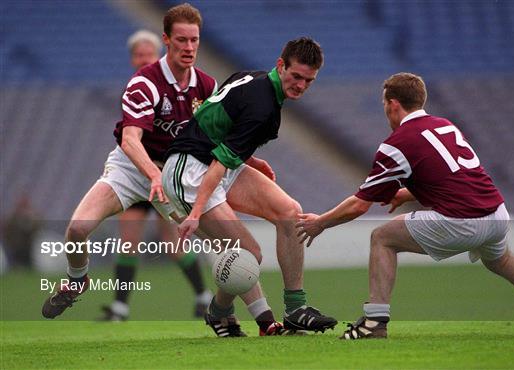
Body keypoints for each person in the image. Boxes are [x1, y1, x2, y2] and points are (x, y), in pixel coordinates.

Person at [42, 4, 289, 337]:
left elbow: (217, 135)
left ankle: (254, 320)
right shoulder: (145, 82)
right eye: (181, 41)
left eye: (194, 41)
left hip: (176, 175)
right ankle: (77, 281)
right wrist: (153, 175)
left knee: (228, 246)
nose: (188, 48)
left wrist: (250, 160)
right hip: (131, 170)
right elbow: (130, 139)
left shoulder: (206, 85)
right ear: (166, 40)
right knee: (75, 230)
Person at [296, 72, 514, 340]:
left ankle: (374, 323)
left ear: (393, 104)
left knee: (382, 238)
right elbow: (454, 177)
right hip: (496, 214)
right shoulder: (444, 125)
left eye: (385, 106)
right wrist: (408, 193)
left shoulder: (397, 143)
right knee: (502, 261)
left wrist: (320, 223)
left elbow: (359, 205)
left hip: (462, 221)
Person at [162, 37, 338, 337]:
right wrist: (196, 212)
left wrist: (250, 160)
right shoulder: (263, 107)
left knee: (290, 213)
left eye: (309, 80)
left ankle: (295, 309)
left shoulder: (253, 77)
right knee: (248, 255)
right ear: (281, 66)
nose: (301, 85)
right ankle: (220, 313)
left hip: (218, 163)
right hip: (189, 172)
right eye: (296, 76)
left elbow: (215, 118)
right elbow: (218, 160)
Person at [99, 29, 212, 321]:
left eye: (147, 54)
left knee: (173, 243)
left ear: (157, 54)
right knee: (128, 240)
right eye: (137, 55)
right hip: (139, 174)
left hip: (165, 174)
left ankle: (203, 295)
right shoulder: (136, 87)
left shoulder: (170, 85)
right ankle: (121, 307)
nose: (142, 59)